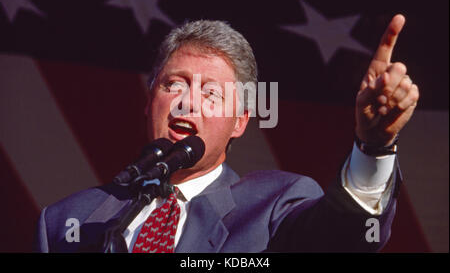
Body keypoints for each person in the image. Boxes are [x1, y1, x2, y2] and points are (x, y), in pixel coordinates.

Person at [33, 15, 419, 252]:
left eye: (211, 93)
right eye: (174, 85)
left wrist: (374, 145)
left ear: (240, 121)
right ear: (149, 100)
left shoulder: (273, 208)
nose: (187, 103)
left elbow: (340, 240)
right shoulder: (67, 221)